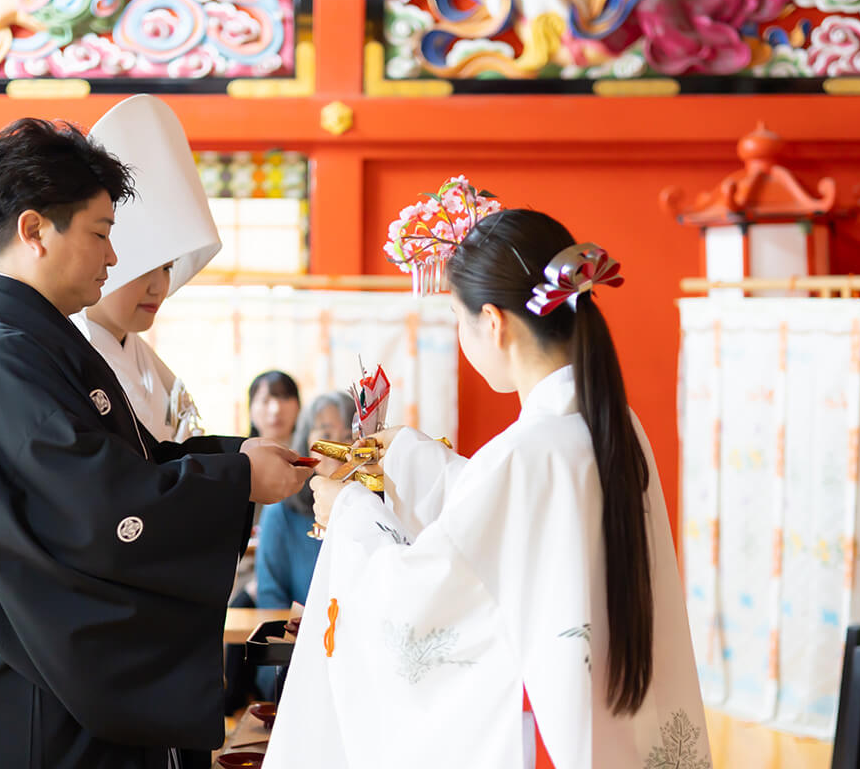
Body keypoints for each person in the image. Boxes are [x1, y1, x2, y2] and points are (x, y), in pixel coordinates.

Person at [0, 117, 313, 769]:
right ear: (34, 231)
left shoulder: (35, 344)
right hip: (27, 701)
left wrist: (235, 458)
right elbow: (100, 507)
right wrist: (237, 481)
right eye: (100, 233)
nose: (115, 258)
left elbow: (130, 464)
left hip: (46, 686)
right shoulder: (4, 358)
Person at [265, 209, 709, 768]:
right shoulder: (611, 424)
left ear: (493, 323)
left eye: (458, 317)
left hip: (545, 728)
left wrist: (349, 511)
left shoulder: (528, 452)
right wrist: (408, 454)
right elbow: (507, 518)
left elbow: (416, 597)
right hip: (607, 712)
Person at [71, 95, 222, 443]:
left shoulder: (141, 353)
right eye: (144, 270)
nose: (159, 287)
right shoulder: (72, 349)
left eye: (167, 268)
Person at [255, 390, 355, 611]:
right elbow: (270, 596)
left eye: (349, 436)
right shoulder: (282, 510)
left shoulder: (378, 505)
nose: (338, 447)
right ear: (306, 440)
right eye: (326, 434)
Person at [247, 370, 300, 445]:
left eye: (284, 398)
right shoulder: (237, 451)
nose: (276, 409)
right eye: (264, 400)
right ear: (250, 410)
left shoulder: (314, 445)